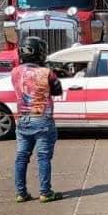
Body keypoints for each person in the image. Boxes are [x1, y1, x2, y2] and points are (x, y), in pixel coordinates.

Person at [11, 36, 63, 203]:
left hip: (22, 120)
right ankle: (45, 192)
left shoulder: (15, 72)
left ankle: (21, 193)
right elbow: (57, 90)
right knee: (43, 157)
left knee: (21, 157)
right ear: (40, 53)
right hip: (42, 119)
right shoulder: (46, 72)